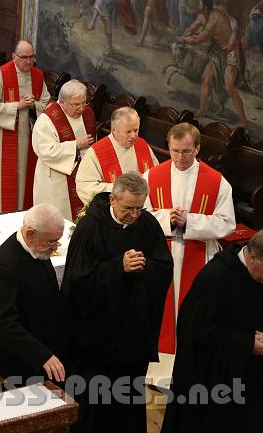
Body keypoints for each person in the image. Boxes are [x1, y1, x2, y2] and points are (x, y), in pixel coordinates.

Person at [62, 172, 173, 433]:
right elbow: (76, 278)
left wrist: (144, 267)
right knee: (95, 399)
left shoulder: (147, 225)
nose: (134, 215)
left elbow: (163, 267)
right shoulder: (90, 227)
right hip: (97, 335)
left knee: (129, 397)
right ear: (112, 199)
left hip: (132, 333)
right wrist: (117, 267)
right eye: (128, 208)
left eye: (139, 208)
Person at [143, 123, 235, 384]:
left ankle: (188, 370)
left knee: (192, 312)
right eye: (174, 151)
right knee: (160, 311)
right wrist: (166, 218)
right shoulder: (152, 176)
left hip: (198, 253)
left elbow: (226, 223)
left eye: (186, 152)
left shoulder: (217, 182)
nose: (179, 158)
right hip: (162, 254)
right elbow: (141, 214)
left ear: (197, 148)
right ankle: (158, 372)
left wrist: (190, 222)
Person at [161, 230, 263, 433]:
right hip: (212, 388)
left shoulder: (256, 273)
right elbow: (195, 333)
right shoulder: (216, 278)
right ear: (252, 257)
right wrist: (246, 343)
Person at [0, 203, 68, 385]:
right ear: (30, 234)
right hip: (16, 365)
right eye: (52, 241)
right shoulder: (4, 268)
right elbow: (4, 323)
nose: (55, 247)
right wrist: (41, 355)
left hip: (40, 354)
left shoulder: (38, 249)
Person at [0, 40, 50, 216]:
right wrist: (17, 106)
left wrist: (33, 105)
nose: (29, 62)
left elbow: (46, 102)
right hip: (1, 136)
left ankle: (21, 212)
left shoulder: (37, 75)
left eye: (32, 57)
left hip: (27, 136)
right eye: (24, 57)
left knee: (23, 174)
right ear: (14, 57)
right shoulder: (1, 75)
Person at [176, 0, 247, 127]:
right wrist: (184, 36)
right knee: (205, 79)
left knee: (228, 86)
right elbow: (192, 28)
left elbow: (199, 39)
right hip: (217, 51)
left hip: (229, 52)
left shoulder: (214, 18)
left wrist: (183, 40)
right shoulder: (203, 15)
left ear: (206, 6)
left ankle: (243, 119)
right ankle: (202, 110)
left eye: (199, 5)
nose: (198, 7)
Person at [32, 79, 96, 221]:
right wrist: (75, 145)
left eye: (84, 103)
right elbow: (46, 151)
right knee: (57, 220)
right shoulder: (47, 120)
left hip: (82, 176)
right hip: (56, 180)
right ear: (62, 101)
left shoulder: (87, 114)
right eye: (76, 104)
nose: (81, 108)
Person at [75, 106, 157, 205]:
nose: (133, 136)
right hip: (113, 211)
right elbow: (84, 186)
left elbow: (155, 175)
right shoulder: (97, 152)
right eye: (128, 132)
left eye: (136, 130)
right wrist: (120, 189)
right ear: (113, 130)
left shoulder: (142, 145)